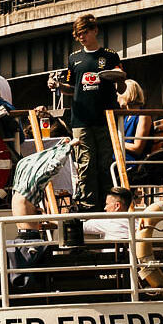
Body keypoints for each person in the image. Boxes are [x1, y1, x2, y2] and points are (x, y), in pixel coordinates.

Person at [48, 13, 125, 211]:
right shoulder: (74, 58)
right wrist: (57, 85)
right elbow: (73, 88)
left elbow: (122, 89)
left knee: (106, 163)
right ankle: (88, 206)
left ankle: (108, 206)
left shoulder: (110, 55)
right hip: (80, 120)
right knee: (85, 163)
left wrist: (119, 79)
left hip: (105, 118)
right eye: (78, 34)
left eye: (85, 32)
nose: (82, 37)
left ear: (95, 31)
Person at [119, 80, 154, 180]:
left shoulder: (143, 116)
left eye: (119, 93)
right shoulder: (126, 118)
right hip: (123, 160)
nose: (117, 98)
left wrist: (115, 142)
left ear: (127, 94)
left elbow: (137, 148)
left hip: (132, 163)